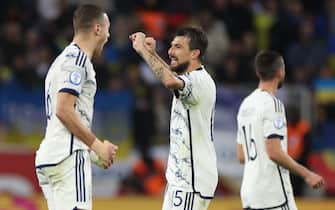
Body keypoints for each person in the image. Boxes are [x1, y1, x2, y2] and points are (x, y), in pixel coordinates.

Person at [35, 4, 118, 210]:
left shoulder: (60, 61)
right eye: (107, 28)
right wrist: (97, 145)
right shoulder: (78, 60)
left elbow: (62, 119)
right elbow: (63, 110)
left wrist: (91, 151)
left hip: (53, 156)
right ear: (97, 29)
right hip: (68, 157)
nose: (108, 35)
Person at [130, 27, 218, 210]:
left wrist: (143, 52)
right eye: (171, 46)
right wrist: (152, 53)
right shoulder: (190, 79)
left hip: (191, 180)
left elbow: (169, 81)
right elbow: (173, 78)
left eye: (178, 47)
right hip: (182, 178)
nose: (171, 51)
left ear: (194, 53)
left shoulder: (199, 80)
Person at [236, 50, 325, 210]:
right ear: (281, 71)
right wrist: (307, 174)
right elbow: (274, 152)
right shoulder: (274, 105)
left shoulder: (245, 105)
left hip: (249, 194)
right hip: (272, 195)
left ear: (258, 72)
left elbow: (241, 156)